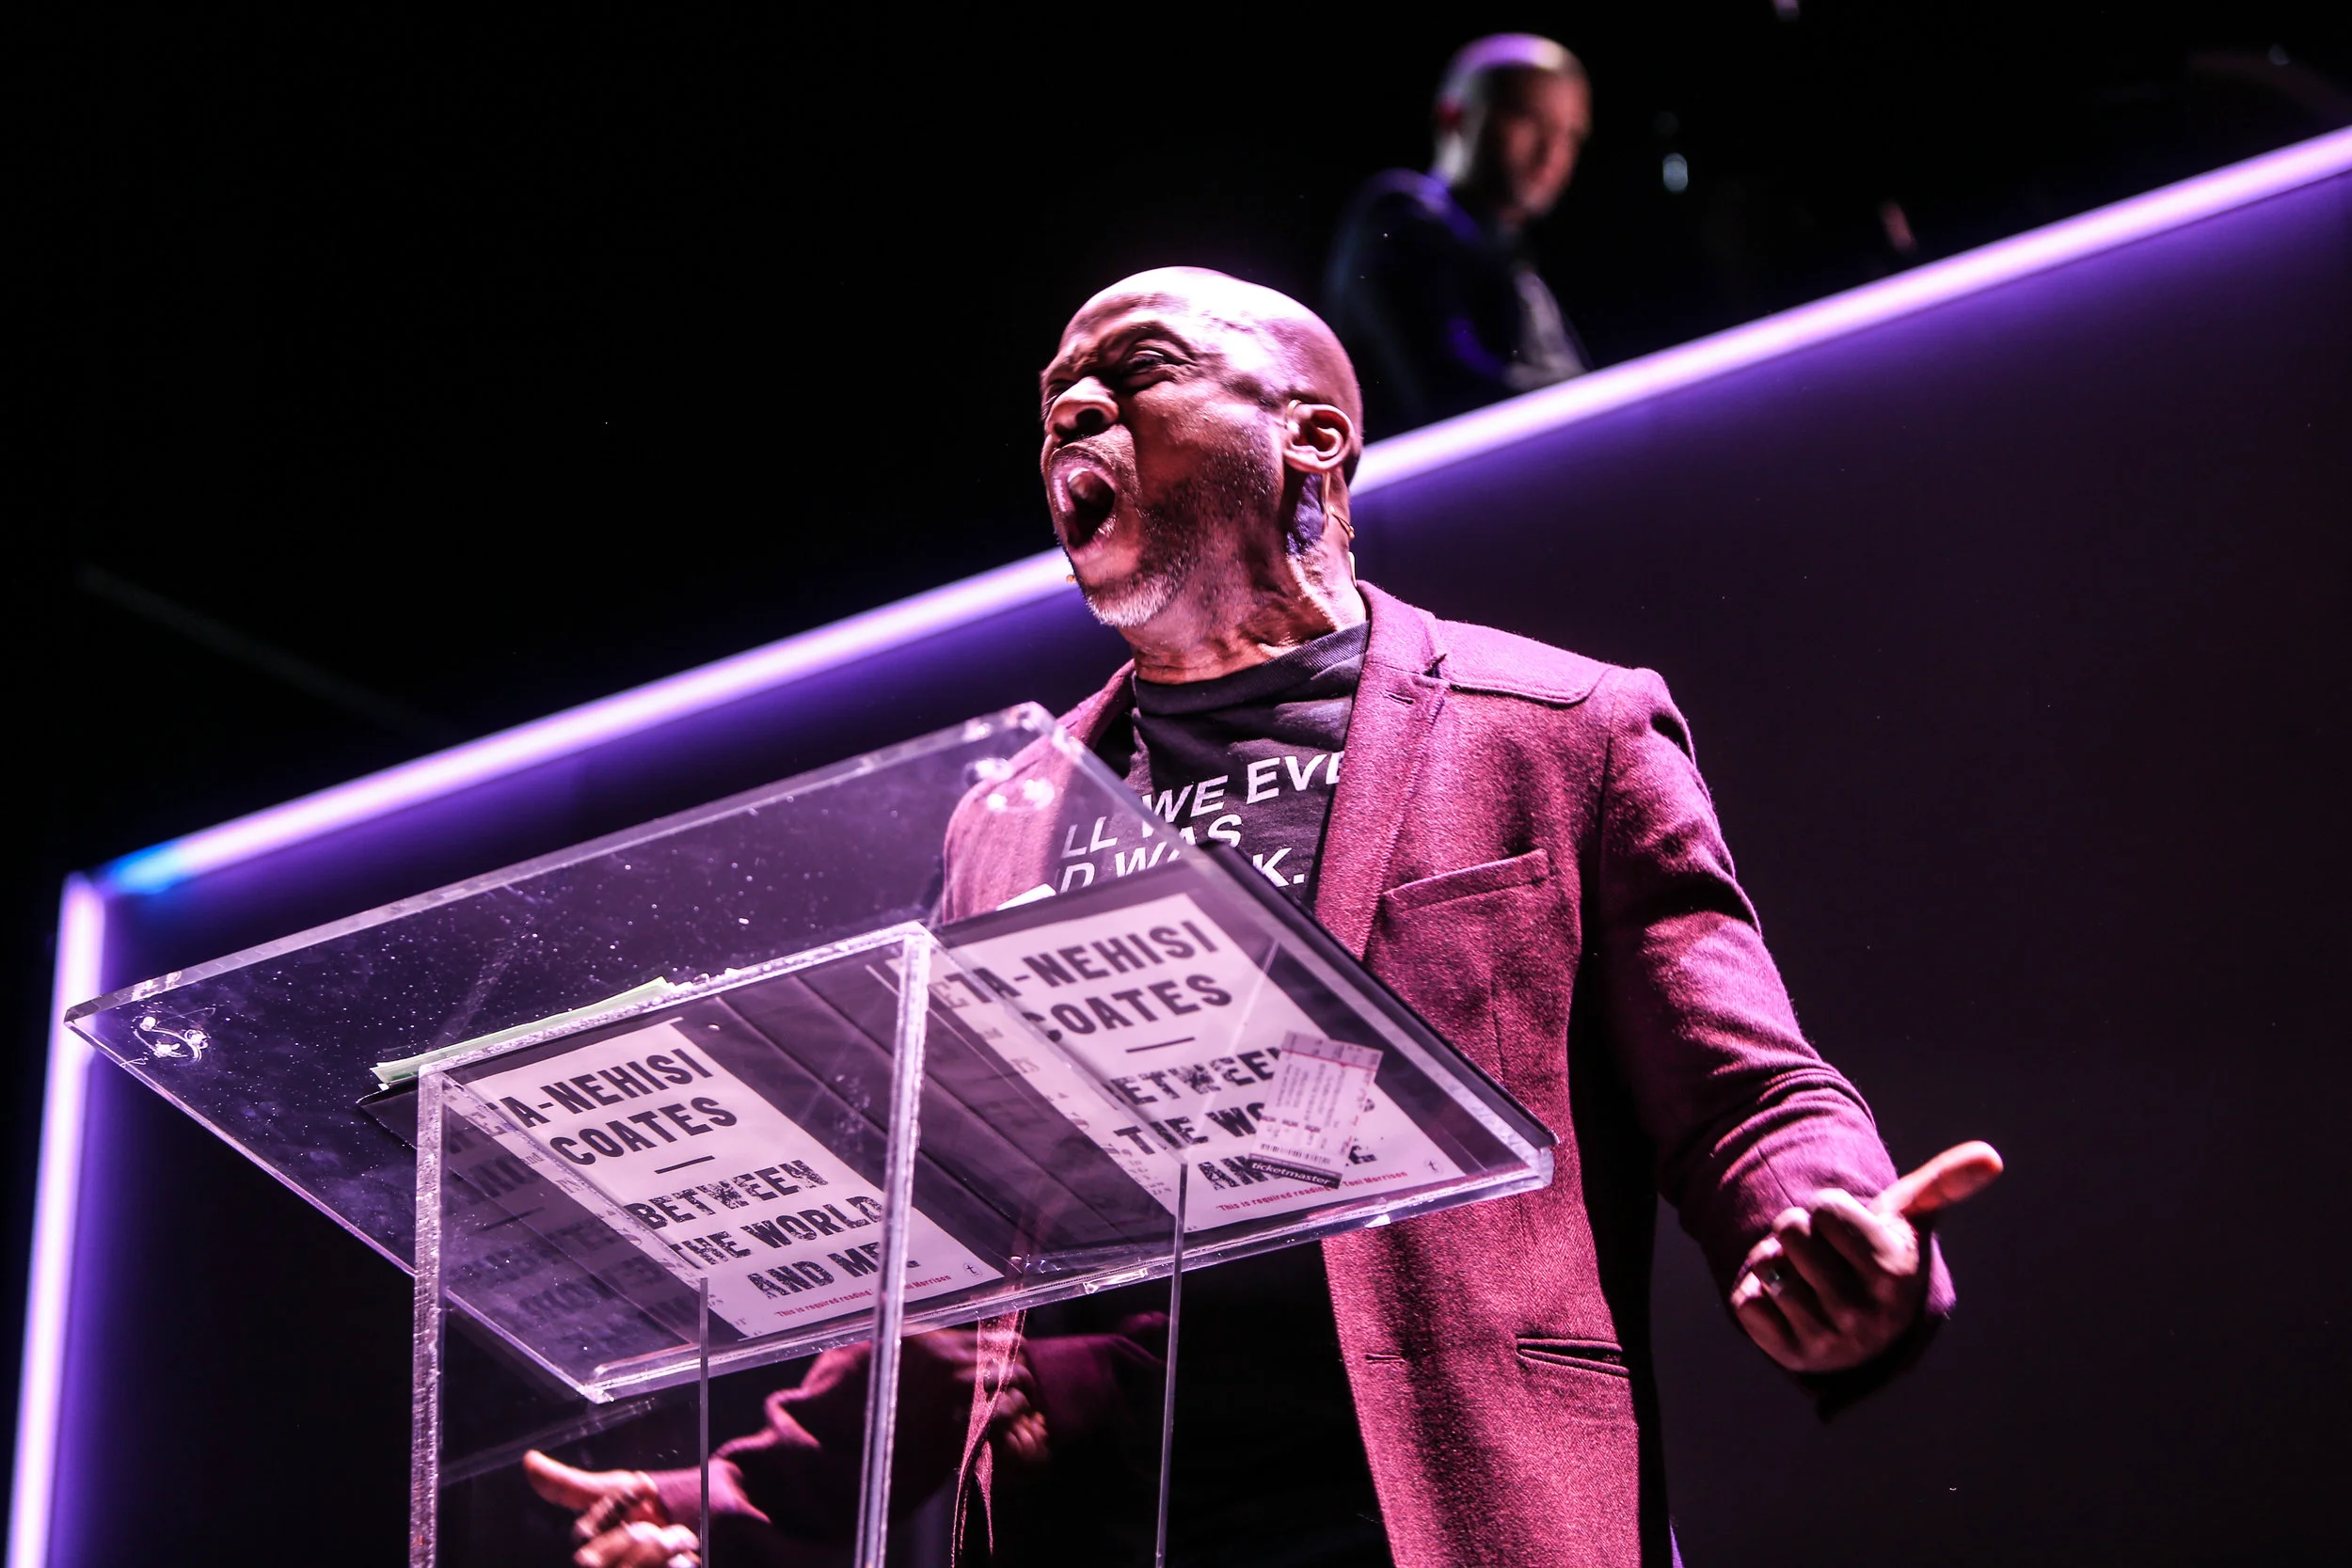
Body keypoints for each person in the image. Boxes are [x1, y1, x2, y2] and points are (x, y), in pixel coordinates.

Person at [531, 268, 2001, 1568]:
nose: (1075, 413)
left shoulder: (1556, 731)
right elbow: (956, 1256)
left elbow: (1739, 1091)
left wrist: (1838, 1231)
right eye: (1054, 403)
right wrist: (747, 1497)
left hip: (1444, 1505)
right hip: (1095, 1523)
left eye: (1141, 371)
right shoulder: (1010, 812)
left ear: (1313, 435)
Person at [1326, 34, 1596, 436]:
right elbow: (1447, 389)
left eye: (1570, 133)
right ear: (1453, 117)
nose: (1552, 152)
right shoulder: (1402, 219)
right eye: (1528, 118)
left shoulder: (1511, 258)